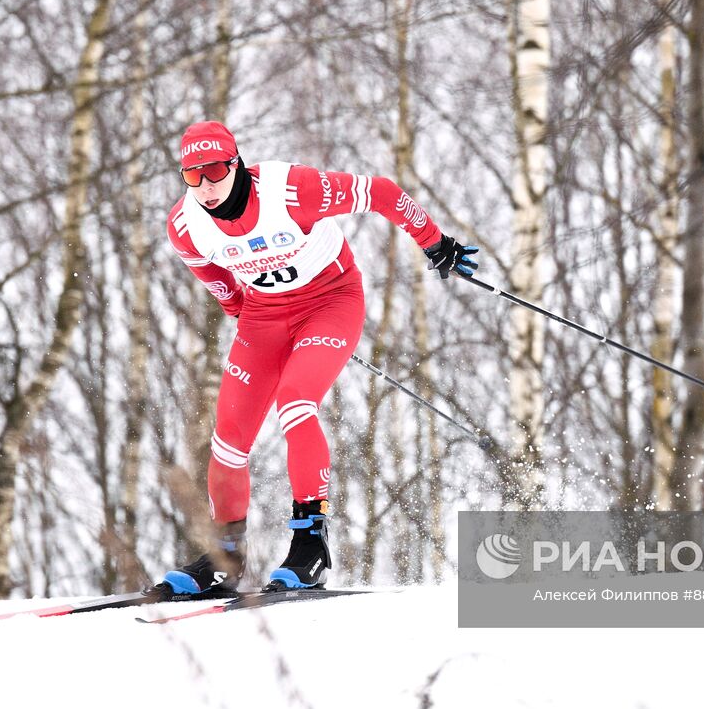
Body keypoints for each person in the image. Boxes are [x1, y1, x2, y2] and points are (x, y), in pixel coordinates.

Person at [154, 121, 479, 595]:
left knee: (295, 403)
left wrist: (434, 242)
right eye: (193, 176)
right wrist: (234, 305)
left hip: (330, 303)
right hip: (264, 319)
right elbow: (204, 267)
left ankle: (311, 545)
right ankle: (223, 557)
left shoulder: (292, 192)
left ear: (236, 162)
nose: (206, 186)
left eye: (216, 171)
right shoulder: (185, 224)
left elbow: (383, 193)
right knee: (228, 436)